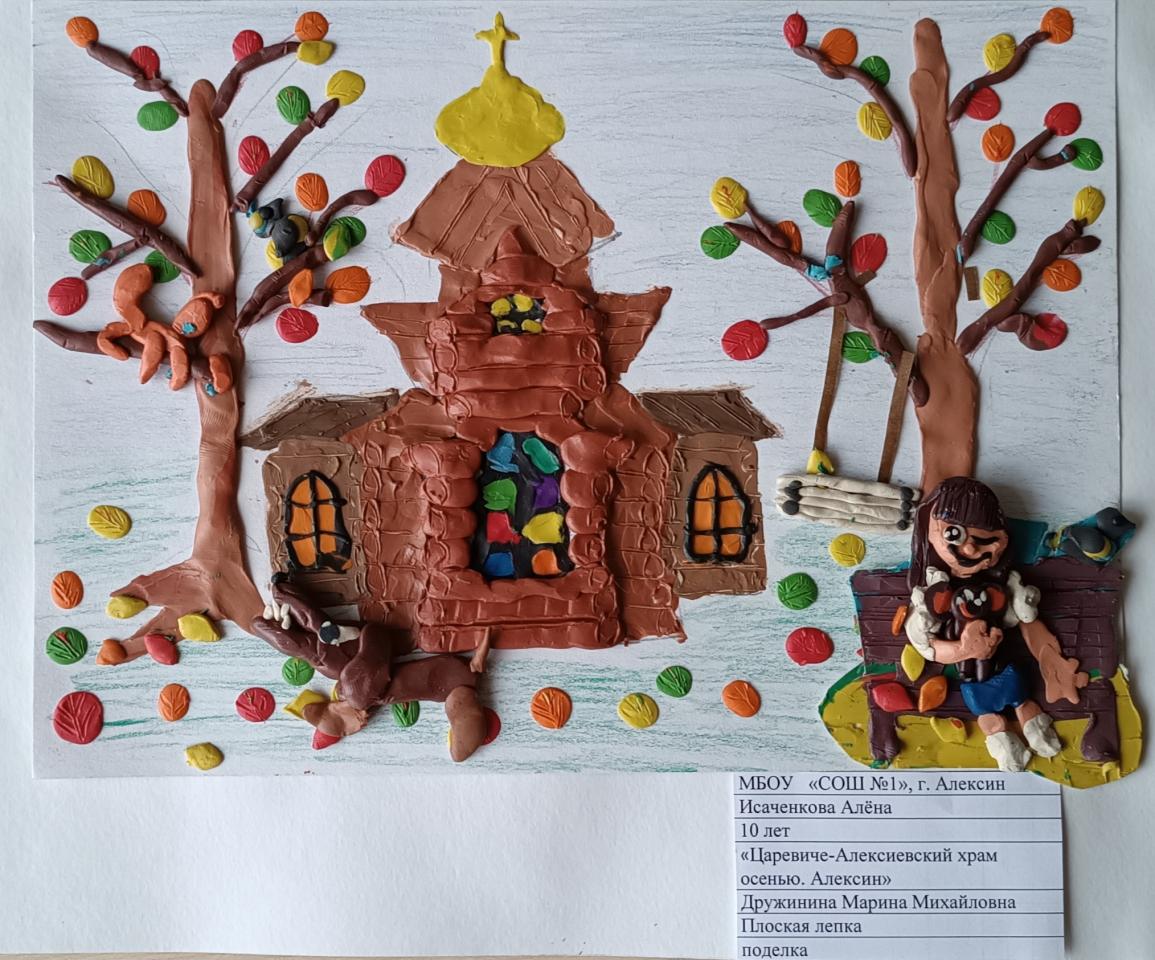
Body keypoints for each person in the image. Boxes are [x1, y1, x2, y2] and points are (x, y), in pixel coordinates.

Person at [905, 477, 1087, 771]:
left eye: (986, 538)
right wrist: (964, 649)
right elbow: (927, 646)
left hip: (1005, 667)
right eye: (954, 533)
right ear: (928, 530)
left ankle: (1037, 729)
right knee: (989, 717)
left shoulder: (1001, 587)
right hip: (971, 679)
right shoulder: (932, 597)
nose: (970, 549)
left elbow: (1021, 616)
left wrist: (1024, 603)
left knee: (1023, 701)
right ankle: (1005, 746)